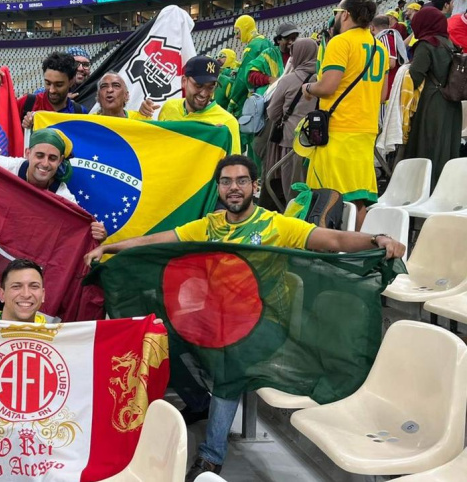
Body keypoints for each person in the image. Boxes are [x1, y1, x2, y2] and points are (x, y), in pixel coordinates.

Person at [83, 155, 406, 481]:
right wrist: (108, 249)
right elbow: (157, 241)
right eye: (226, 182)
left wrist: (376, 239)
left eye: (241, 181)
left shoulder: (277, 225)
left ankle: (211, 457)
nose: (233, 188)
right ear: (219, 188)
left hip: (264, 324)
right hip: (215, 318)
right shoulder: (209, 226)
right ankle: (198, 402)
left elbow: (334, 240)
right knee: (157, 337)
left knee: (228, 360)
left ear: (254, 186)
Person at [302, 0, 388, 230]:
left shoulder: (340, 42)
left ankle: (324, 254)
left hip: (339, 131)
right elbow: (383, 95)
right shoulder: (379, 47)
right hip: (366, 130)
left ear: (346, 14)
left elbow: (328, 86)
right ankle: (353, 249)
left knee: (327, 195)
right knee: (359, 198)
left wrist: (308, 89)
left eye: (337, 12)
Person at [133, 56, 242, 155]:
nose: (204, 93)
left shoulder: (228, 122)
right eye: (198, 85)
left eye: (210, 87)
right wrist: (143, 116)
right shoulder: (169, 107)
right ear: (184, 81)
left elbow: (234, 168)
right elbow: (158, 146)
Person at [404, 6, 462, 190]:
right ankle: (445, 190)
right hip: (451, 103)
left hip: (432, 102)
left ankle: (425, 190)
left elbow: (416, 75)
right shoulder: (449, 43)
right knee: (446, 148)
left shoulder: (427, 44)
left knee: (428, 146)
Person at [264, 38, 319, 206]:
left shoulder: (288, 80)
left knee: (293, 188)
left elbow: (272, 112)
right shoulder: (324, 78)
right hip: (318, 140)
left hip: (292, 141)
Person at [0, 51, 88, 129]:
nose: (52, 90)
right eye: (48, 83)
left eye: (59, 85)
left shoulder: (79, 113)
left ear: (71, 81)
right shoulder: (27, 103)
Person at [372, 15, 408, 106]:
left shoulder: (385, 37)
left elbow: (391, 62)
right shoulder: (385, 37)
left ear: (371, 27)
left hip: (388, 91)